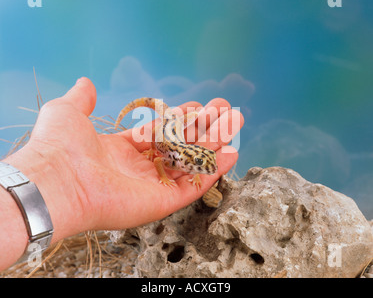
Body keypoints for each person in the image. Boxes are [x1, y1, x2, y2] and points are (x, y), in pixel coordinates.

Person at [0, 77, 243, 271]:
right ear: (187, 159)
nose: (204, 167)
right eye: (200, 163)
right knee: (159, 138)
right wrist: (164, 176)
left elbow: (198, 164)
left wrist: (198, 174)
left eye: (203, 162)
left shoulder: (188, 162)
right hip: (167, 132)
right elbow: (159, 159)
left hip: (175, 128)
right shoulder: (172, 157)